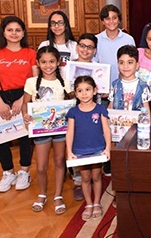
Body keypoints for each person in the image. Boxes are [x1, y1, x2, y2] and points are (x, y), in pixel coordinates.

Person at [0, 16, 38, 193]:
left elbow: (36, 80)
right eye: (10, 30)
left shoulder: (31, 53)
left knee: (25, 137)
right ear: (4, 32)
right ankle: (8, 172)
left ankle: (24, 171)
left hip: (25, 94)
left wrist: (22, 99)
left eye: (18, 30)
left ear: (23, 33)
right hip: (0, 97)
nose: (14, 33)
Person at [22, 46, 71, 214]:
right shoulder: (31, 82)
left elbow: (71, 103)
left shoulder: (64, 82)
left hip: (60, 130)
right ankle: (42, 194)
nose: (48, 65)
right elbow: (25, 104)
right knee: (41, 166)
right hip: (40, 130)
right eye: (43, 62)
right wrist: (26, 116)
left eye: (51, 61)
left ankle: (57, 195)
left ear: (58, 62)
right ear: (38, 63)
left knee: (59, 162)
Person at [66, 76, 111, 221]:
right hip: (80, 151)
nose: (84, 93)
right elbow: (70, 132)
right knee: (85, 178)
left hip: (98, 149)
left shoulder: (101, 109)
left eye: (87, 89)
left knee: (96, 176)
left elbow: (106, 130)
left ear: (94, 90)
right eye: (80, 90)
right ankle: (89, 204)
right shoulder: (73, 112)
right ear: (75, 93)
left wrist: (108, 148)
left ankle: (97, 202)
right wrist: (69, 152)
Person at [68, 33, 98, 200]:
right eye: (82, 45)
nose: (85, 50)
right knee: (76, 145)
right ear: (77, 46)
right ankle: (78, 181)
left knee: (92, 142)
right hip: (74, 113)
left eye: (90, 47)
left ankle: (94, 177)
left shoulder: (99, 69)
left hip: (92, 114)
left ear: (94, 50)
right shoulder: (68, 67)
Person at [96, 4, 136, 85]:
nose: (111, 22)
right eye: (107, 19)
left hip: (125, 85)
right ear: (102, 21)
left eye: (114, 18)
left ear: (119, 20)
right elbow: (94, 64)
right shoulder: (97, 40)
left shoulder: (128, 39)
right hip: (103, 86)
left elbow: (133, 63)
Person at [108, 45, 151, 113]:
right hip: (117, 122)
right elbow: (110, 106)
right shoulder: (115, 85)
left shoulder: (143, 86)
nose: (125, 66)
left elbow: (146, 109)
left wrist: (146, 122)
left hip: (136, 122)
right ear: (118, 65)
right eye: (121, 63)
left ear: (137, 65)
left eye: (130, 62)